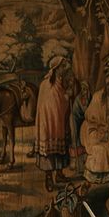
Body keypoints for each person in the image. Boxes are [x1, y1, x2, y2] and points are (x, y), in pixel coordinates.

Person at [34, 55, 72, 192]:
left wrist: (66, 97)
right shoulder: (46, 85)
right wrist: (66, 98)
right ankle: (49, 178)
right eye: (62, 67)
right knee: (49, 151)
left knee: (61, 148)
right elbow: (48, 106)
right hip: (48, 124)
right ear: (55, 69)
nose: (64, 69)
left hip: (58, 123)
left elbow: (60, 103)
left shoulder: (61, 83)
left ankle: (60, 174)